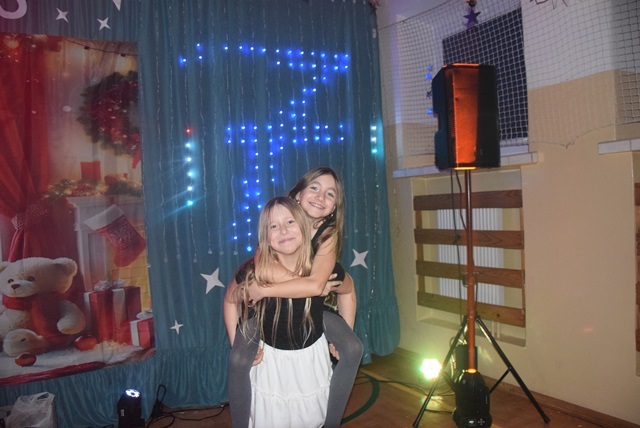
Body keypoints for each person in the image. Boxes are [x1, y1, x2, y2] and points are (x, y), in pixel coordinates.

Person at [225, 167, 363, 428]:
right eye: (314, 188)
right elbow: (235, 295)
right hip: (270, 323)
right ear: (297, 196)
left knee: (353, 348)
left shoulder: (327, 238)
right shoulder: (267, 249)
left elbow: (340, 288)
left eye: (330, 193)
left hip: (312, 318)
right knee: (239, 359)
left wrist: (342, 329)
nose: (321, 197)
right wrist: (265, 288)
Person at [225, 197, 331, 427]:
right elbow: (230, 301)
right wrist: (237, 345)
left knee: (312, 418)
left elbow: (348, 290)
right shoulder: (254, 271)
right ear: (265, 236)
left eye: (290, 222)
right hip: (271, 364)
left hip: (311, 360)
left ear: (303, 225)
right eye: (274, 226)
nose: (283, 230)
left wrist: (344, 334)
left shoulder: (320, 270)